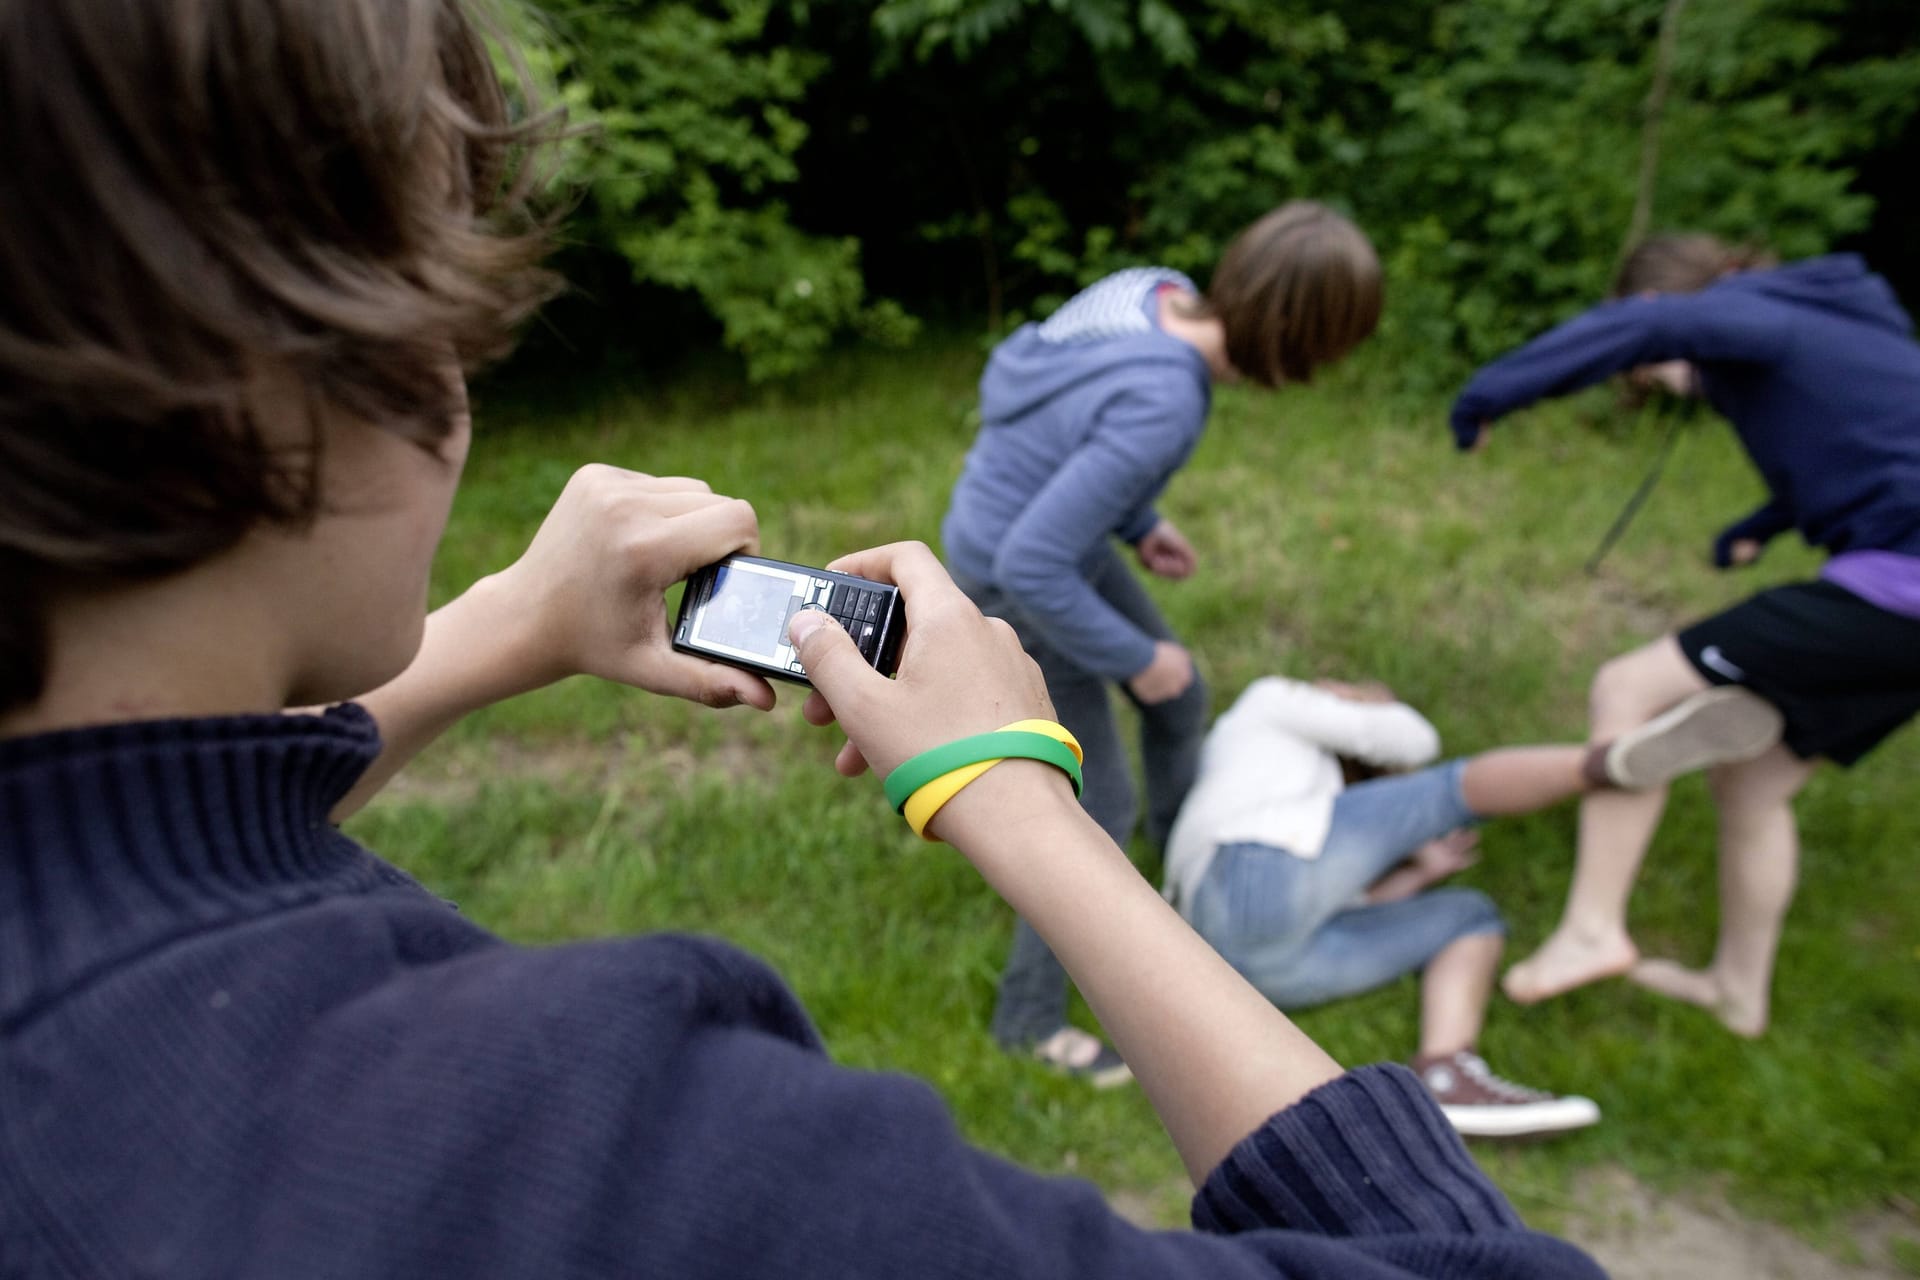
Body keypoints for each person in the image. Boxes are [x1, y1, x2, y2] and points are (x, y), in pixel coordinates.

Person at [0, 2, 1614, 1276]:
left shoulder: (1139, 299)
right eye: (435, 318)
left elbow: (154, 843)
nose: (456, 393)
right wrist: (1017, 802)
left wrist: (505, 626)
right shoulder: (604, 1159)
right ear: (264, 387)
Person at [941, 204, 1384, 1080]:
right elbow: (1036, 565)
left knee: (1183, 698)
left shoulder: (1149, 291)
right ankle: (1027, 1022)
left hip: (1023, 529)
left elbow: (1073, 420)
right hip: (1013, 572)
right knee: (1090, 806)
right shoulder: (1168, 399)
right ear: (1300, 337)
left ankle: (1187, 880)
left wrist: (1137, 520)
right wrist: (1135, 659)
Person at [1450, 233, 1920, 1035]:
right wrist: (1758, 526)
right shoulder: (1836, 320)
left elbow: (1656, 328)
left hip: (1899, 590)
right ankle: (1737, 992)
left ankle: (1592, 928)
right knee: (1755, 784)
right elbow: (1868, 445)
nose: (1659, 381)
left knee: (1628, 687)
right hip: (1895, 587)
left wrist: (1493, 392)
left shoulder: (1751, 317)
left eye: (1655, 366)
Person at [1164, 675, 1776, 1137]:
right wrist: (1378, 706)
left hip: (1258, 973)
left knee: (1469, 915)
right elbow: (1416, 741)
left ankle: (1448, 1072)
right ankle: (1605, 764)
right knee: (1448, 790)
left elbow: (1338, 908)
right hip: (1237, 880)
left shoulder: (1318, 813)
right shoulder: (1267, 705)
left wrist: (1423, 873)